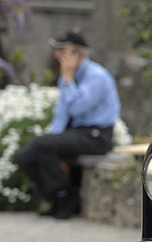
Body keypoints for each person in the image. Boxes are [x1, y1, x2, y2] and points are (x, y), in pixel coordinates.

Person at [14, 30, 120, 220]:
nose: (57, 55)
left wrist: (68, 78)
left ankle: (67, 197)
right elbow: (62, 113)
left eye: (62, 50)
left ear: (77, 52)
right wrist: (55, 142)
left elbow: (78, 108)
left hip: (96, 136)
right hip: (77, 133)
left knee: (42, 144)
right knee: (25, 155)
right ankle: (54, 197)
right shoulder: (69, 76)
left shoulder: (97, 76)